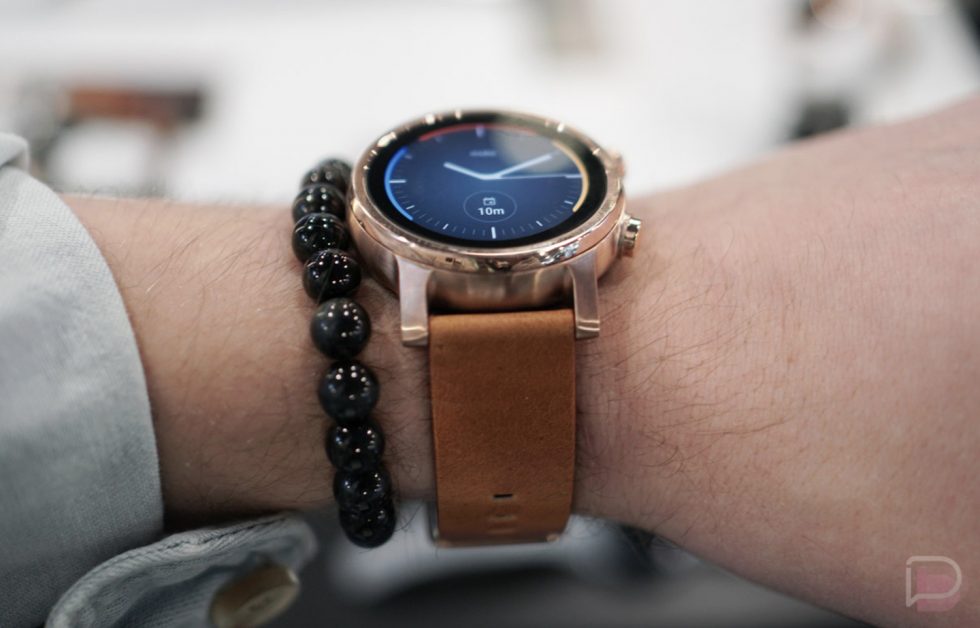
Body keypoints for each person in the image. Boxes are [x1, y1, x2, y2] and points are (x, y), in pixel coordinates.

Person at [1, 97, 977, 628]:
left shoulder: (585, 248)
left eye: (501, 167)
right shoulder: (401, 260)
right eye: (472, 167)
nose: (486, 173)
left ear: (612, 220)